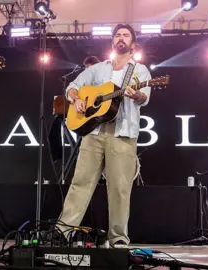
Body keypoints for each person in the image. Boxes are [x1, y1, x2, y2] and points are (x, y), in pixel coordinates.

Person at [57, 24, 152, 247]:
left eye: (126, 35)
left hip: (123, 134)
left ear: (133, 43)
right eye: (117, 35)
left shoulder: (140, 71)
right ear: (112, 42)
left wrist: (135, 93)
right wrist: (76, 98)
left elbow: (144, 97)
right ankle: (63, 233)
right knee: (80, 182)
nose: (121, 38)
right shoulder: (98, 69)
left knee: (119, 188)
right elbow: (74, 86)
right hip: (94, 132)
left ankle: (118, 239)